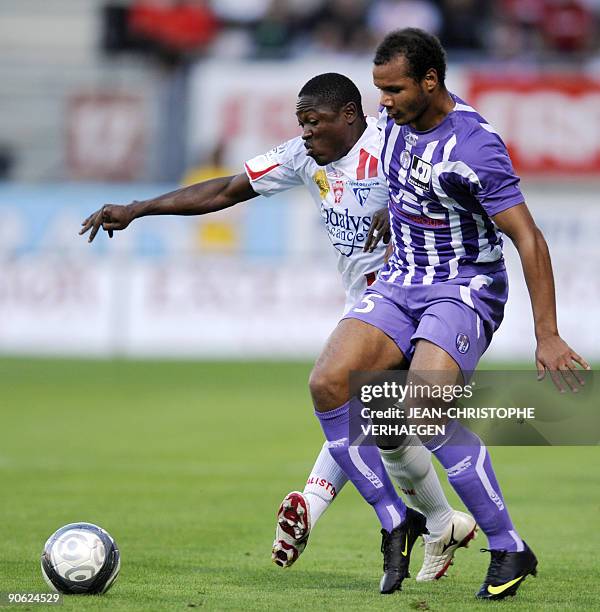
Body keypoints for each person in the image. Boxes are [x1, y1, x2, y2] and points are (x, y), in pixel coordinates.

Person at [79, 73, 475, 590]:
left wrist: (400, 205)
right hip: (369, 306)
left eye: (314, 122)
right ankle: (443, 523)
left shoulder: (396, 142)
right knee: (386, 431)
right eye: (301, 123)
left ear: (351, 117)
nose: (306, 132)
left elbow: (461, 179)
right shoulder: (301, 157)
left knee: (350, 399)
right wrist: (138, 209)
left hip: (427, 299)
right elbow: (224, 189)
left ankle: (325, 505)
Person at [306, 28, 590, 599]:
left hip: (463, 286)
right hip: (399, 281)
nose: (380, 102)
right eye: (377, 88)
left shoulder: (475, 146)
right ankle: (398, 520)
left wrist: (548, 333)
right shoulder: (393, 124)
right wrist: (400, 214)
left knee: (422, 410)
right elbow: (405, 182)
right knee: (329, 382)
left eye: (392, 89)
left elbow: (528, 237)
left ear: (430, 82)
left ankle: (508, 545)